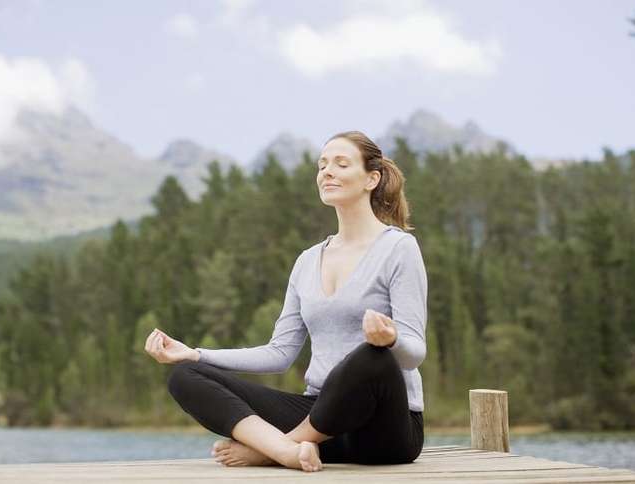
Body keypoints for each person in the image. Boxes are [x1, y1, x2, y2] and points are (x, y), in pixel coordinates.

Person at [144, 130, 428, 472]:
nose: (327, 172)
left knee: (371, 356)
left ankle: (273, 450)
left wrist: (391, 339)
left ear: (372, 178)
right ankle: (287, 449)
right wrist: (195, 353)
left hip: (385, 432)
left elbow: (415, 353)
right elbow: (279, 353)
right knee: (185, 375)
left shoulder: (398, 249)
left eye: (341, 163)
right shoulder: (307, 261)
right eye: (322, 165)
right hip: (324, 422)